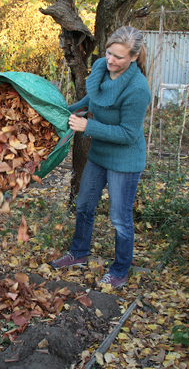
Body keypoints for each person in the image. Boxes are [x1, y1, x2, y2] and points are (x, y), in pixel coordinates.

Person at [49, 26, 151, 289]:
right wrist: (59, 112)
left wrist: (88, 128)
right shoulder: (102, 69)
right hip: (100, 155)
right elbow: (91, 100)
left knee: (119, 218)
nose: (111, 60)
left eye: (118, 56)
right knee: (83, 205)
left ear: (133, 57)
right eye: (109, 53)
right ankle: (79, 253)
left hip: (125, 161)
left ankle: (119, 271)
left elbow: (129, 134)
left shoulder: (138, 89)